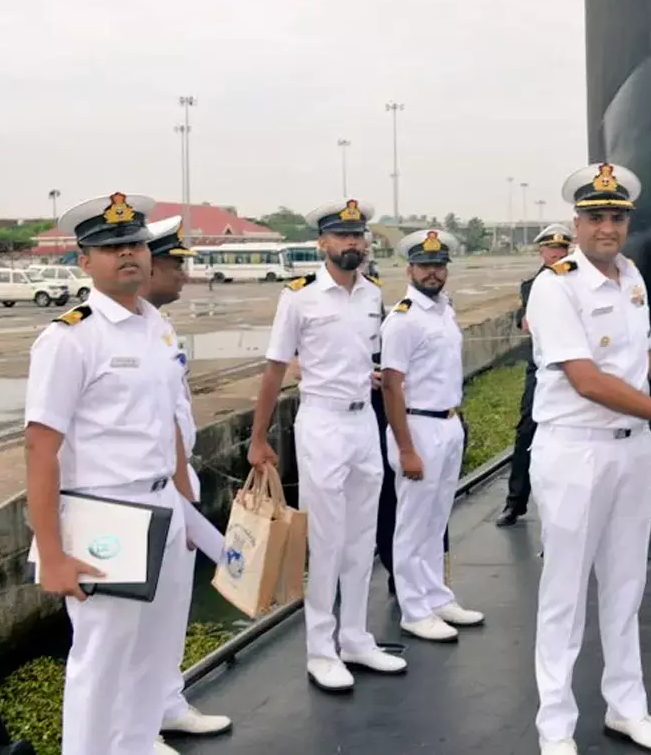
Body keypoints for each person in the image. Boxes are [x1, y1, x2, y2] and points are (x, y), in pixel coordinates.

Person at [525, 162, 651, 755]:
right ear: (577, 222)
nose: (606, 227)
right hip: (575, 450)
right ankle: (555, 725)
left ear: (626, 223)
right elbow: (586, 379)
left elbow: (634, 359)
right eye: (595, 217)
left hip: (632, 450)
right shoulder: (555, 284)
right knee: (564, 591)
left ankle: (626, 707)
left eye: (616, 217)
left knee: (626, 585)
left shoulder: (631, 276)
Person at [23, 192, 197, 755]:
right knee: (99, 664)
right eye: (112, 246)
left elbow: (168, 419)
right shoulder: (70, 337)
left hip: (163, 506)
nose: (129, 254)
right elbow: (40, 447)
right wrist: (51, 552)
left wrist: (185, 500)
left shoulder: (158, 329)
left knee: (154, 653)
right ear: (85, 262)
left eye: (136, 244)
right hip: (105, 512)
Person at [247, 198, 407, 692]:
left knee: (362, 539)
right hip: (321, 424)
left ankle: (356, 638)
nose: (352, 243)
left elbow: (365, 353)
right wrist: (258, 438)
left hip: (363, 423)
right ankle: (321, 648)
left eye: (358, 236)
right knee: (328, 541)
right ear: (322, 243)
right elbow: (275, 369)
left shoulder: (371, 294)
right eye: (341, 236)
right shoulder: (298, 297)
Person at [139, 216, 233, 742]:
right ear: (149, 266)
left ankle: (167, 702)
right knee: (135, 624)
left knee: (172, 607)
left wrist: (183, 484)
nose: (183, 275)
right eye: (175, 265)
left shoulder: (160, 327)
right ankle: (134, 725)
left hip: (175, 485)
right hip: (134, 494)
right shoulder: (99, 331)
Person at [379, 229, 485, 641]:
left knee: (436, 518)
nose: (433, 272)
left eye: (439, 265)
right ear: (409, 268)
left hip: (448, 422)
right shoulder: (404, 319)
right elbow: (392, 385)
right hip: (418, 426)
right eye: (425, 265)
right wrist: (405, 447)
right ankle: (413, 607)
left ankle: (435, 595)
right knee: (411, 522)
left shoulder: (444, 311)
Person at [497, 222, 574, 527]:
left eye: (561, 249)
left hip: (577, 365)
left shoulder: (578, 281)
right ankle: (515, 501)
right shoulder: (532, 285)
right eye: (551, 248)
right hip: (542, 366)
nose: (556, 254)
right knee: (527, 430)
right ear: (542, 251)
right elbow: (524, 318)